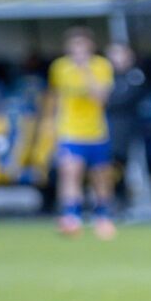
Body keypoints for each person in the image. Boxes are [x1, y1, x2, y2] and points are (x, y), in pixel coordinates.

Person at [46, 27, 116, 239]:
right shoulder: (59, 67)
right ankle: (71, 218)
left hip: (96, 132)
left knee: (100, 177)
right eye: (74, 47)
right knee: (70, 172)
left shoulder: (101, 66)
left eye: (82, 47)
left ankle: (102, 217)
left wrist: (85, 71)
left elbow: (101, 99)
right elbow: (55, 96)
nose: (78, 51)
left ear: (90, 47)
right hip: (70, 131)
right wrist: (50, 125)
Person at [105, 42, 147, 210]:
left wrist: (104, 99)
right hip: (104, 129)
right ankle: (109, 201)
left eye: (120, 54)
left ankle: (127, 202)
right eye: (114, 54)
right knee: (107, 167)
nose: (117, 59)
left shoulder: (135, 76)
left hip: (129, 130)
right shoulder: (104, 76)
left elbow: (123, 99)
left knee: (127, 166)